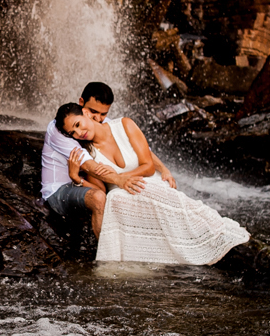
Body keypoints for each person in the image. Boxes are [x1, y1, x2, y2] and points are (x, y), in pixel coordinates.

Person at [55, 102, 250, 265]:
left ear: (87, 113)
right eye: (73, 132)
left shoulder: (124, 125)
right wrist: (76, 178)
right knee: (115, 197)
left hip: (148, 182)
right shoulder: (87, 153)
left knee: (143, 191)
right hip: (123, 198)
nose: (79, 132)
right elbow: (101, 191)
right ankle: (132, 259)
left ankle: (202, 233)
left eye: (78, 124)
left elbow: (148, 166)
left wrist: (125, 178)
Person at [40, 82, 175, 237]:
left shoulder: (103, 124)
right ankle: (106, 254)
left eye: (103, 114)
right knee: (101, 198)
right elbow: (89, 165)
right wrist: (119, 180)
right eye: (93, 111)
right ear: (83, 107)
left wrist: (164, 169)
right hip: (60, 189)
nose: (98, 118)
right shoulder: (60, 128)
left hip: (90, 183)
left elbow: (142, 150)